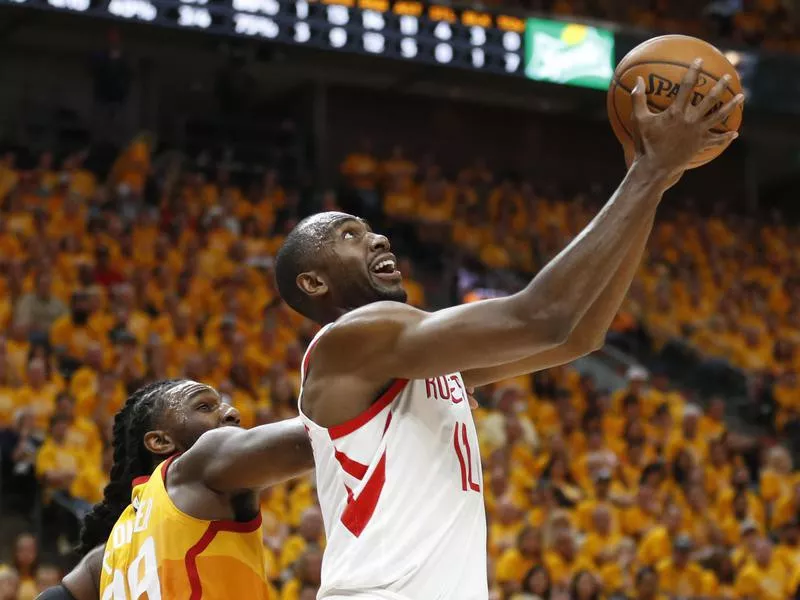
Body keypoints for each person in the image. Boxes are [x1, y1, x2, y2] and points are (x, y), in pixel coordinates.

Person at [274, 62, 743, 599]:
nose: (378, 238)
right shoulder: (350, 339)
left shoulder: (407, 365)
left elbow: (576, 337)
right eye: (350, 235)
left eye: (371, 228)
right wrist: (647, 174)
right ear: (313, 281)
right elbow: (540, 315)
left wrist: (654, 184)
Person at [37, 378, 314, 600]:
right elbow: (322, 433)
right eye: (205, 407)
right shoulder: (202, 463)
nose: (232, 413)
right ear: (159, 441)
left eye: (224, 404)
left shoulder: (108, 554)